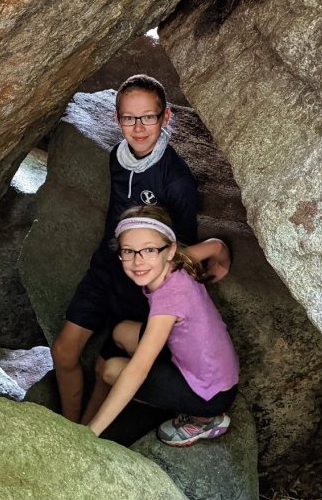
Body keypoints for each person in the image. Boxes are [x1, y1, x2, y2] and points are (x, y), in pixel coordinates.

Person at [50, 74, 230, 424]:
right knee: (63, 351)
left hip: (140, 286)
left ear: (165, 118)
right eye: (129, 117)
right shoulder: (118, 157)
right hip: (106, 269)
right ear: (117, 119)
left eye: (149, 116)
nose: (139, 126)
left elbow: (176, 251)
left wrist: (214, 247)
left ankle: (84, 435)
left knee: (108, 364)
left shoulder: (176, 180)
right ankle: (67, 425)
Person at [87, 205, 239, 445]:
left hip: (211, 395)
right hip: (216, 370)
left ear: (170, 250)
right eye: (128, 251)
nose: (138, 261)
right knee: (121, 331)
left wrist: (90, 432)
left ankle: (204, 420)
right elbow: (216, 245)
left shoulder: (169, 300)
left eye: (148, 250)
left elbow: (137, 371)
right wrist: (222, 262)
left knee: (112, 370)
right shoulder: (179, 261)